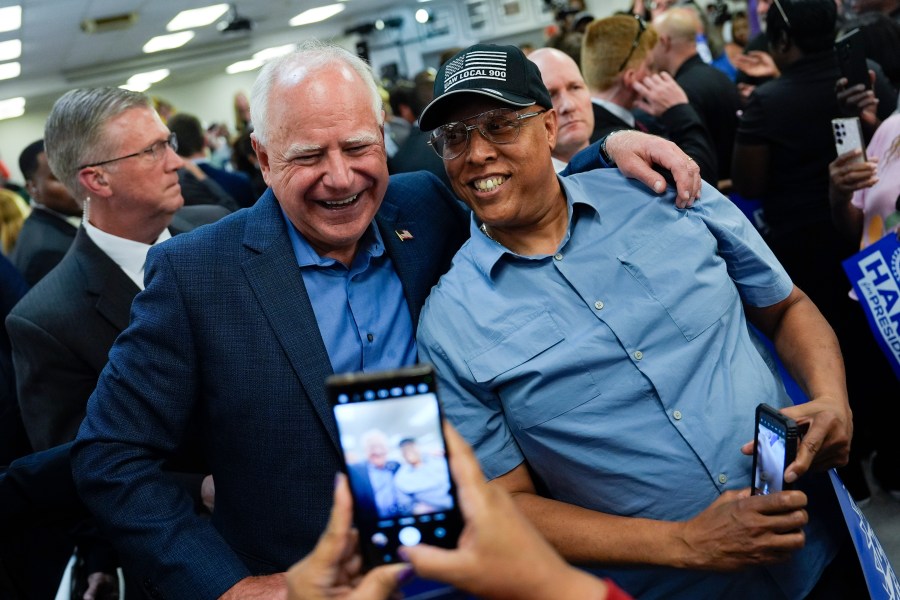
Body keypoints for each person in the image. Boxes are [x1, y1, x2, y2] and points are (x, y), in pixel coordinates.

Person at [69, 41, 702, 600]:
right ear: (262, 159)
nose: (340, 178)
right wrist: (231, 587)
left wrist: (609, 147)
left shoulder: (422, 205)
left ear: (384, 136)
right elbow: (110, 456)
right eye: (308, 155)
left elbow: (521, 186)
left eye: (358, 147)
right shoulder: (196, 273)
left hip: (475, 569)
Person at [416, 43, 860, 599]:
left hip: (815, 544)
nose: (477, 152)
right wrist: (683, 543)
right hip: (671, 588)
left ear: (551, 126)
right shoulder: (450, 325)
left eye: (501, 125)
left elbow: (786, 306)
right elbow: (504, 503)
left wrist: (831, 398)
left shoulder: (664, 192)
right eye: (455, 138)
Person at [732, 0, 899, 502]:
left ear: (782, 41)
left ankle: (851, 471)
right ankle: (889, 462)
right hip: (867, 239)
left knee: (823, 363)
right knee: (876, 352)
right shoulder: (867, 78)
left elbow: (750, 182)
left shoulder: (770, 100)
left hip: (805, 250)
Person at [6, 88, 228, 453]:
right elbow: (84, 463)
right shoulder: (45, 322)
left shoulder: (218, 231)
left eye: (167, 142)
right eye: (152, 151)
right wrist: (200, 490)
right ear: (97, 180)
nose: (176, 162)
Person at [582, 14, 719, 182]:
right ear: (632, 77)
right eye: (650, 66)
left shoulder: (596, 125)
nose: (656, 74)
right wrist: (680, 111)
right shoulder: (616, 142)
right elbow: (700, 181)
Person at [9, 140, 81, 286]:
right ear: (32, 188)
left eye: (78, 171)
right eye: (60, 177)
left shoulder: (41, 226)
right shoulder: (48, 251)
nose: (79, 183)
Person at [527, 47, 595, 171]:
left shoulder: (620, 162)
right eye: (551, 95)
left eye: (575, 87)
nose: (569, 106)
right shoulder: (532, 189)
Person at [346, 429, 403, 520]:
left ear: (387, 448)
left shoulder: (396, 466)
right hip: (371, 522)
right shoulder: (355, 471)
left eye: (381, 446)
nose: (377, 451)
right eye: (372, 447)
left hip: (398, 518)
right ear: (365, 450)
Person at [394, 437, 452, 514]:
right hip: (434, 513)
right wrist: (415, 509)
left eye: (411, 447)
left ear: (417, 447)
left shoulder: (438, 460)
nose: (408, 451)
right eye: (404, 450)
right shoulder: (400, 478)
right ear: (402, 454)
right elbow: (404, 505)